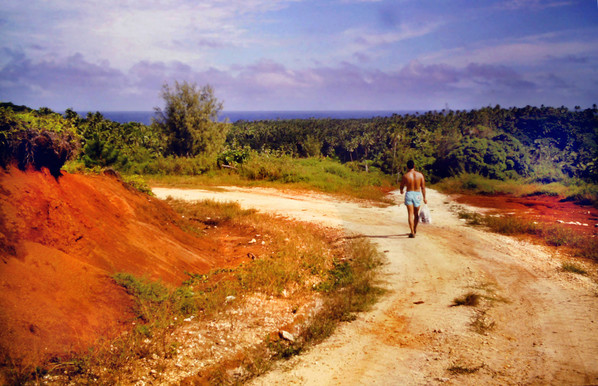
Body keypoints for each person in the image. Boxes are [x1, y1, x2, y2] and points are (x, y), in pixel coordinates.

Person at [399, 160, 427, 238]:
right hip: (417, 194)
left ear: (407, 166)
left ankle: (412, 232)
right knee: (416, 214)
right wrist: (424, 198)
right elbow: (423, 187)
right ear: (414, 166)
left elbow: (402, 186)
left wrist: (401, 190)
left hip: (409, 193)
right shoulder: (420, 175)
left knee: (410, 214)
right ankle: (415, 229)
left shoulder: (406, 176)